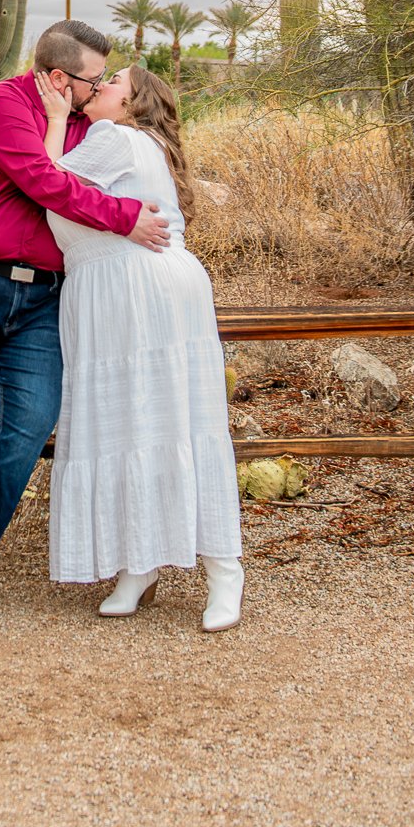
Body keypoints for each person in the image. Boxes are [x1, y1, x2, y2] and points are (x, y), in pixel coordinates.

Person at [0, 20, 172, 634]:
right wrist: (123, 218)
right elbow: (46, 182)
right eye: (91, 79)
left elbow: (129, 166)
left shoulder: (89, 122)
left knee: (28, 427)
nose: (98, 88)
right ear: (59, 77)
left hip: (43, 301)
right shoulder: (5, 103)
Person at [37, 62, 244, 629]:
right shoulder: (135, 140)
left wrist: (56, 115)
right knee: (140, 423)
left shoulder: (116, 137)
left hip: (133, 284)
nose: (99, 88)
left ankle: (224, 570)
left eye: (112, 85)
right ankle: (140, 563)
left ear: (131, 105)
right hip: (119, 285)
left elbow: (45, 178)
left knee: (172, 423)